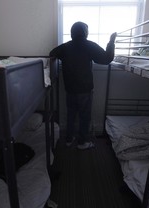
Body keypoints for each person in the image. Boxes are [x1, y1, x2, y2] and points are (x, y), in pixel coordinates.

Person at [49, 21, 116, 150]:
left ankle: (69, 139)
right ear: (85, 33)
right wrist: (111, 41)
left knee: (71, 115)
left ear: (72, 33)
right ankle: (82, 142)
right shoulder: (89, 45)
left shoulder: (66, 47)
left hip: (70, 90)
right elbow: (107, 59)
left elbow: (52, 53)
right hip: (85, 90)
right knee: (85, 117)